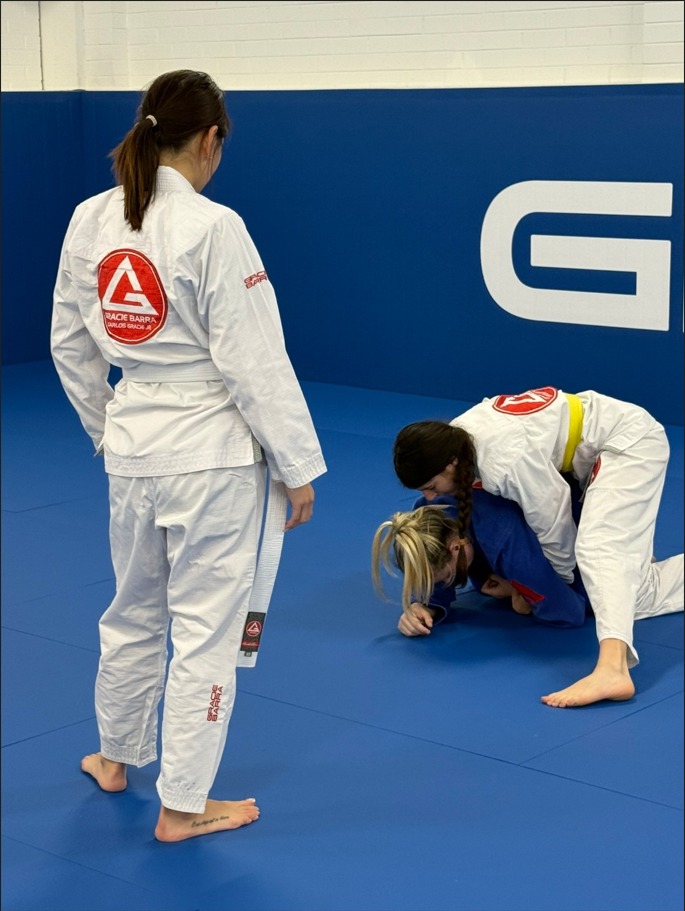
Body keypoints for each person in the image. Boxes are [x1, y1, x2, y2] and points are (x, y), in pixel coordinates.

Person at [51, 70, 326, 842]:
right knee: (205, 630)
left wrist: (110, 428)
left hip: (133, 445)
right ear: (210, 139)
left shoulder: (89, 220)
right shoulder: (213, 225)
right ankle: (180, 806)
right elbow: (253, 359)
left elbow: (69, 344)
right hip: (212, 455)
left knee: (132, 612)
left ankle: (114, 756)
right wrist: (295, 463)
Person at [392, 386, 683, 708]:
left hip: (625, 442)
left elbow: (555, 526)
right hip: (586, 452)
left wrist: (542, 586)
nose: (431, 498)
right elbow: (431, 547)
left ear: (450, 465)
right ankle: (625, 564)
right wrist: (428, 603)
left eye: (431, 487)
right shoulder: (452, 456)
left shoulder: (502, 464)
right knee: (614, 571)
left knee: (607, 565)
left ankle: (613, 670)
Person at [372, 488, 591, 637]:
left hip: (592, 520)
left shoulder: (509, 548)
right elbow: (434, 564)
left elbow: (570, 613)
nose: (448, 584)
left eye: (449, 578)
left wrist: (523, 595)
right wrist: (422, 605)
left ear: (456, 547)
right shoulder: (429, 515)